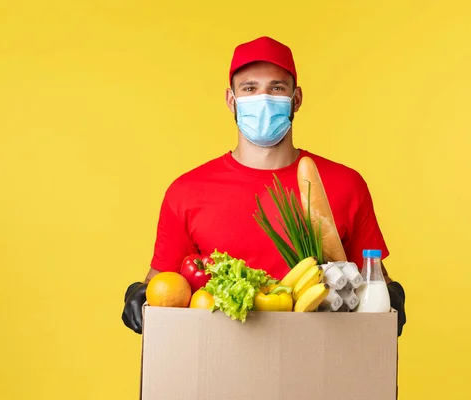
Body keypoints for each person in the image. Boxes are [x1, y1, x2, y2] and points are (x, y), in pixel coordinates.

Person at [121, 36, 406, 336]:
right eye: (249, 88)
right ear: (231, 100)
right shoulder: (187, 191)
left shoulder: (345, 184)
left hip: (321, 362)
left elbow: (374, 279)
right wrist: (139, 293)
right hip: (218, 364)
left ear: (296, 99)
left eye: (277, 88)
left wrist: (392, 294)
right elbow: (164, 285)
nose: (264, 99)